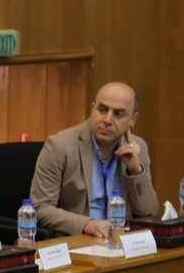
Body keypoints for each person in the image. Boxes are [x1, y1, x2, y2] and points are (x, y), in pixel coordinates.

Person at [30, 81, 159, 236]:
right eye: (102, 110)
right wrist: (86, 225)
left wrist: (136, 171)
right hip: (78, 238)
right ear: (92, 109)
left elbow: (149, 212)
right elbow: (40, 207)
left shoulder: (138, 148)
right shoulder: (60, 146)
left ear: (133, 119)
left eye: (118, 114)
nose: (107, 120)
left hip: (121, 239)